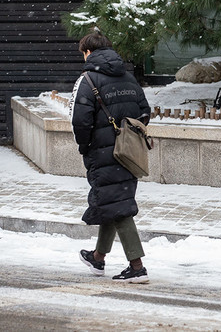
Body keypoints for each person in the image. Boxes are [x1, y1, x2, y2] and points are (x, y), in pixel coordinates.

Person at [68, 28, 152, 283]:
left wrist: (85, 147)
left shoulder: (88, 79)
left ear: (89, 52)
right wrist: (128, 134)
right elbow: (144, 112)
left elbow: (79, 121)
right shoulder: (128, 77)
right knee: (113, 202)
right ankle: (98, 258)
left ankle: (137, 267)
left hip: (102, 153)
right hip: (129, 152)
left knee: (119, 207)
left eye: (83, 53)